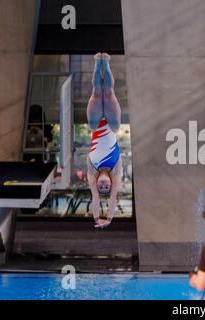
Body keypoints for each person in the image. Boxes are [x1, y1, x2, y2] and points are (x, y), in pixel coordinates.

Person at [86, 53, 122, 229]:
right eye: (107, 188)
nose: (104, 187)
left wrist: (96, 218)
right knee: (107, 93)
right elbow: (113, 199)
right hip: (112, 124)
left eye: (102, 189)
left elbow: (95, 198)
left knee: (96, 92)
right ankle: (105, 64)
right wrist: (108, 219)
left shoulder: (92, 171)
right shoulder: (116, 170)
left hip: (95, 124)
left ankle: (96, 65)